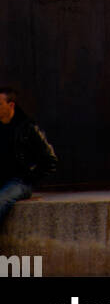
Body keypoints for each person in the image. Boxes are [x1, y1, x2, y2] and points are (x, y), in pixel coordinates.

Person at [0, 86, 58, 227]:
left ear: (11, 105)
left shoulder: (28, 128)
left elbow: (50, 160)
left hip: (18, 182)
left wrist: (29, 178)